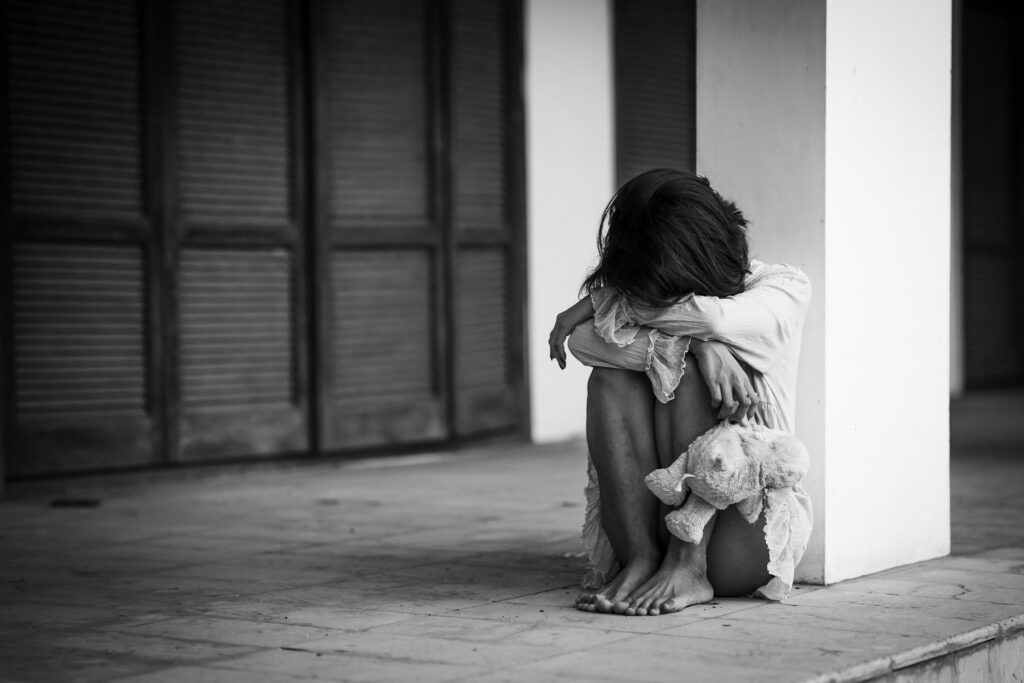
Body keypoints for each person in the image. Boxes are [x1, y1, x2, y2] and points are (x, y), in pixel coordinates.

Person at [547, 169, 812, 616]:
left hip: (737, 540)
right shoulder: (653, 299)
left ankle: (688, 563)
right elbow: (583, 343)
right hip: (644, 532)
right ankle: (645, 560)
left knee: (684, 373)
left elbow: (712, 320)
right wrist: (697, 344)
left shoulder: (781, 290)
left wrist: (607, 302)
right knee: (610, 377)